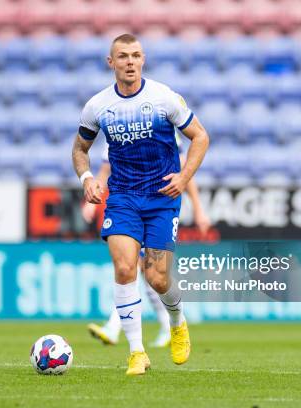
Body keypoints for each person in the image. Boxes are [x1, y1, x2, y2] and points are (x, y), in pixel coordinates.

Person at [71, 33, 209, 375]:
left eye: (135, 55)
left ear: (143, 59)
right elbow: (79, 149)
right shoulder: (98, 106)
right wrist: (87, 179)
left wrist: (184, 177)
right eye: (122, 56)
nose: (129, 61)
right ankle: (136, 352)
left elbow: (200, 137)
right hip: (122, 198)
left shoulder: (163, 98)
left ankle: (177, 322)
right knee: (124, 268)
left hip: (162, 199)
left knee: (157, 277)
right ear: (111, 62)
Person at [83, 139, 211, 348]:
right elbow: (106, 169)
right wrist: (90, 200)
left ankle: (158, 324)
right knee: (131, 267)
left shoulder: (159, 121)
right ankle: (121, 328)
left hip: (157, 206)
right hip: (129, 205)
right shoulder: (116, 124)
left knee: (151, 273)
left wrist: (198, 208)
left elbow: (182, 166)